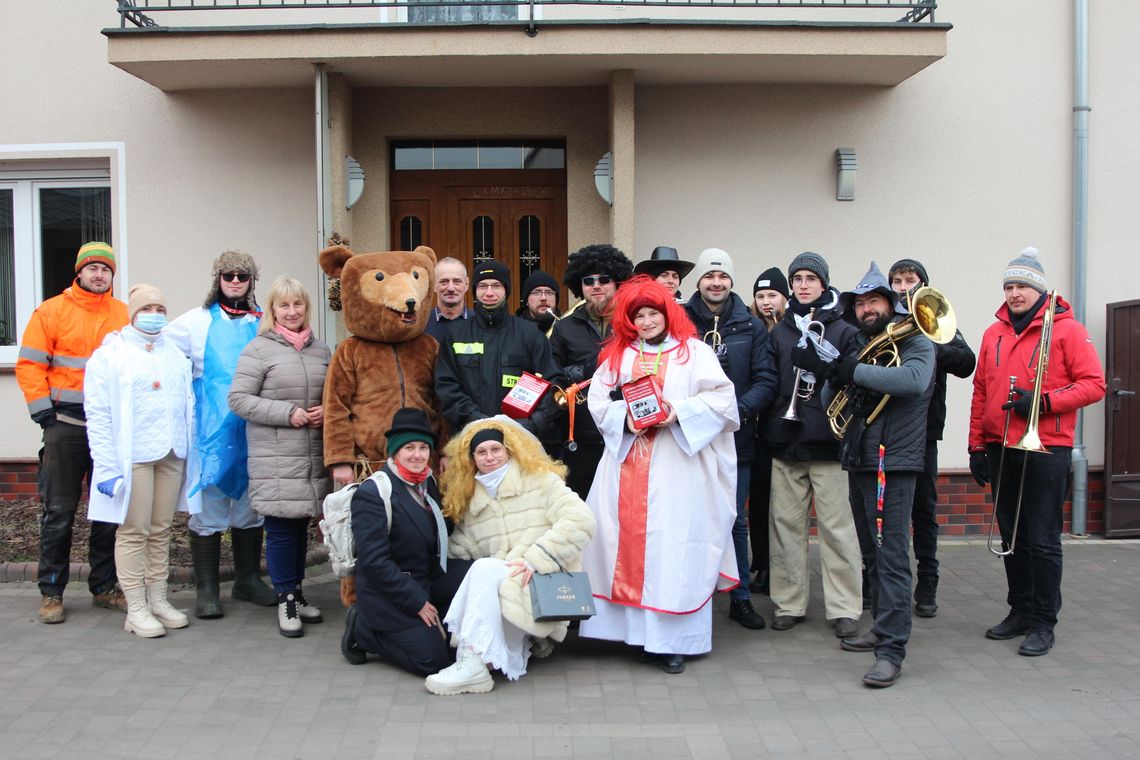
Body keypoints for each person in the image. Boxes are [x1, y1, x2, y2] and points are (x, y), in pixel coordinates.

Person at [579, 276, 740, 674]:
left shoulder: (694, 353)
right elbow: (598, 401)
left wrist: (677, 413)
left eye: (653, 313)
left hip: (678, 466)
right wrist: (626, 419)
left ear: (668, 313)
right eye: (639, 316)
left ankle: (672, 641)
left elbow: (723, 400)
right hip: (626, 461)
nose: (647, 322)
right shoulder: (619, 356)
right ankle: (633, 635)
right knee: (620, 540)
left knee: (673, 546)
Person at [803, 262, 934, 688]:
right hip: (859, 456)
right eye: (859, 304)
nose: (866, 309)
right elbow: (830, 399)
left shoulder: (916, 337)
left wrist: (852, 371)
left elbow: (914, 382)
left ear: (891, 303)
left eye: (873, 301)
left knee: (892, 556)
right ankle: (880, 626)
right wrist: (829, 372)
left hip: (892, 461)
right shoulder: (860, 342)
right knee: (872, 553)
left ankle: (892, 649)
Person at [969, 248, 1105, 657]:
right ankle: (1020, 610)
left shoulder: (1066, 329)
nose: (1014, 293)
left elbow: (1094, 384)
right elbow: (980, 390)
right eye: (1009, 287)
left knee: (1043, 540)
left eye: (1022, 286)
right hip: (1000, 445)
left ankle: (1045, 621)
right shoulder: (994, 332)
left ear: (1039, 290)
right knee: (1012, 536)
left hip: (1046, 447)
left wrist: (1042, 403)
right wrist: (976, 444)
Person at [423, 418, 596, 695]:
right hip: (506, 587)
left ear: (509, 451)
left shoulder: (540, 481)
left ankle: (472, 664)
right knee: (478, 571)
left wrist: (535, 559)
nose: (489, 457)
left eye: (496, 449)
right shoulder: (472, 500)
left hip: (544, 583)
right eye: (481, 452)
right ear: (472, 458)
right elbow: (460, 548)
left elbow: (582, 520)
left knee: (483, 570)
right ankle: (477, 661)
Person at [16, 241, 129, 623]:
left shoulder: (123, 315)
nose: (99, 275)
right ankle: (51, 592)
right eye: (92, 268)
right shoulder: (51, 311)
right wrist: (42, 412)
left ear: (112, 275)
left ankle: (104, 586)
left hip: (110, 427)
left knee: (108, 511)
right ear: (79, 272)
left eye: (106, 269)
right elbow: (29, 365)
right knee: (59, 510)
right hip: (64, 423)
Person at [84, 284, 198, 638]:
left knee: (162, 529)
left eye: (160, 307)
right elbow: (99, 414)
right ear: (132, 313)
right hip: (132, 457)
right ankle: (136, 608)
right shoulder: (110, 356)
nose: (155, 313)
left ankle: (158, 598)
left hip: (171, 452)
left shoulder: (174, 353)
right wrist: (105, 465)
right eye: (147, 307)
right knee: (135, 530)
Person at [167, 250, 276, 618]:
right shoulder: (193, 323)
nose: (234, 281)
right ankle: (208, 589)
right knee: (209, 509)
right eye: (227, 275)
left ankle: (247, 580)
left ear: (251, 281)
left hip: (256, 432)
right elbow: (160, 354)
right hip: (211, 434)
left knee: (250, 507)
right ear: (217, 279)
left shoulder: (266, 323)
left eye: (242, 276)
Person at [765, 252, 863, 638]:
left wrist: (824, 364)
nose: (803, 285)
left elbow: (853, 381)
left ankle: (845, 606)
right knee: (785, 527)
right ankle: (789, 602)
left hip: (828, 444)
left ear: (824, 284)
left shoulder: (844, 329)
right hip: (786, 443)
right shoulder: (780, 332)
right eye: (797, 279)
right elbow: (770, 382)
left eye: (810, 278)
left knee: (837, 529)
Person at [228, 275, 331, 638]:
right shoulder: (258, 350)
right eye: (284, 305)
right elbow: (239, 400)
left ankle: (298, 592)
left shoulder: (321, 350)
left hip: (311, 454)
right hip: (276, 456)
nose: (291, 311)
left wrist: (325, 410)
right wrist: (287, 413)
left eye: (298, 304)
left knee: (300, 527)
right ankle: (285, 597)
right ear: (272, 310)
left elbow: (333, 393)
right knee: (281, 530)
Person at [683, 249, 778, 630]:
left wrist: (732, 413)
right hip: (688, 440)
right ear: (699, 281)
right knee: (689, 520)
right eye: (709, 276)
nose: (716, 282)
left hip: (735, 440)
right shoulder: (681, 322)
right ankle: (693, 598)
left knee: (734, 520)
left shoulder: (751, 326)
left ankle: (739, 598)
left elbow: (767, 380)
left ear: (732, 281)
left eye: (722, 276)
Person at [341, 408, 472, 675]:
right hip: (390, 592)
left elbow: (438, 528)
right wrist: (416, 602)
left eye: (423, 447)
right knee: (434, 660)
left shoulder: (427, 481)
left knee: (478, 571)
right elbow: (375, 562)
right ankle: (364, 631)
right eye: (409, 447)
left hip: (428, 577)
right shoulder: (374, 492)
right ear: (395, 451)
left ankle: (442, 621)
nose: (417, 455)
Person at [888, 258, 976, 618]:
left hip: (924, 429)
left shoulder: (935, 320)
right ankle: (877, 577)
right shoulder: (882, 317)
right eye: (897, 281)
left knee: (923, 508)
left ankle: (927, 581)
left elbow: (966, 362)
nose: (904, 286)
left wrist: (928, 348)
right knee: (882, 509)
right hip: (885, 427)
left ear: (923, 283)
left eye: (910, 280)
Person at [435, 260, 565, 439]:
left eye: (496, 286)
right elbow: (447, 387)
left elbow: (554, 383)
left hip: (521, 439)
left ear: (506, 291)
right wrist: (476, 420)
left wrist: (533, 424)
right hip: (469, 437)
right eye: (482, 286)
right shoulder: (456, 335)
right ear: (473, 291)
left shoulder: (529, 334)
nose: (489, 292)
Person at [549, 244, 635, 498]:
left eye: (604, 279)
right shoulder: (564, 328)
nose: (596, 285)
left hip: (626, 431)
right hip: (583, 436)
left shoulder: (634, 321)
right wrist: (587, 370)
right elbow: (554, 375)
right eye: (588, 280)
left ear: (617, 282)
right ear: (579, 285)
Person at [747, 266, 790, 594]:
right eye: (760, 296)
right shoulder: (749, 329)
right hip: (754, 431)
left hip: (780, 429)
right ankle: (760, 563)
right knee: (759, 503)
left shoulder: (791, 329)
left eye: (772, 295)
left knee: (780, 504)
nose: (765, 301)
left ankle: (777, 566)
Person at [425, 257, 471, 343]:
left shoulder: (479, 324)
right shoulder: (422, 326)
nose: (451, 288)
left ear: (466, 284)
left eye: (457, 281)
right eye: (444, 281)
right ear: (434, 285)